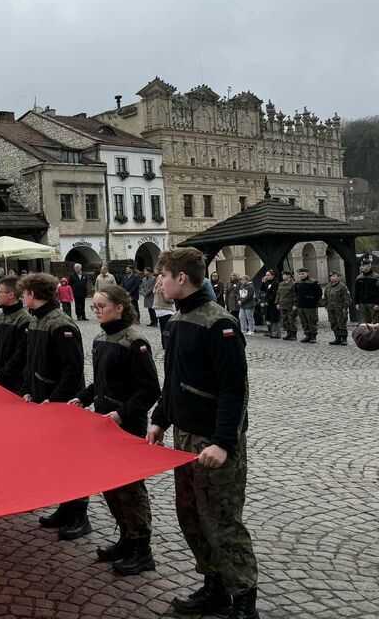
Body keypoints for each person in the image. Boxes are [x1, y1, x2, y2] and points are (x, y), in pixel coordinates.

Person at [147, 248, 258, 619]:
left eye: (163, 275)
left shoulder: (219, 323)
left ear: (182, 278)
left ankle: (244, 600)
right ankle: (215, 587)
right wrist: (160, 418)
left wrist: (224, 443)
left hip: (213, 441)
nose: (158, 282)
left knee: (222, 521)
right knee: (191, 515)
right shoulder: (179, 321)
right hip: (184, 436)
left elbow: (235, 389)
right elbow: (174, 378)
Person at [71, 284, 160, 576]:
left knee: (130, 488)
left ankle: (141, 548)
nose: (95, 311)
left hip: (127, 425)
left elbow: (150, 390)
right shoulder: (99, 338)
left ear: (120, 307)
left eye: (101, 307)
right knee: (111, 487)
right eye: (93, 307)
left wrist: (122, 414)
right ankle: (125, 538)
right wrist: (83, 398)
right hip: (104, 422)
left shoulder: (135, 342)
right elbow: (101, 382)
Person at [19, 272, 89, 540]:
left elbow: (72, 369)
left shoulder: (61, 324)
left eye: (25, 293)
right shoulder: (37, 320)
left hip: (61, 405)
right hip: (40, 400)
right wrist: (27, 389)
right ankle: (64, 506)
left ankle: (79, 514)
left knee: (71, 460)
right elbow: (31, 361)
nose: (23, 297)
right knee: (55, 460)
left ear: (33, 295)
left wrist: (56, 399)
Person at [0, 276, 32, 392]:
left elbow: (21, 354)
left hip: (13, 383)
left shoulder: (24, 319)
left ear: (10, 295)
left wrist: (0, 376)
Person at [322, 271, 351, 345]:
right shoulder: (328, 286)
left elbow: (347, 298)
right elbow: (325, 297)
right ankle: (337, 338)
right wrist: (326, 305)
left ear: (338, 277)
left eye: (334, 276)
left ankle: (344, 339)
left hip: (340, 308)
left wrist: (345, 307)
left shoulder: (342, 286)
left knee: (341, 323)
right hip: (331, 308)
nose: (332, 277)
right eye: (331, 276)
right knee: (333, 323)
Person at [294, 267, 322, 343]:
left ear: (307, 274)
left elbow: (319, 294)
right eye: (299, 274)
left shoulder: (313, 282)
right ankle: (307, 335)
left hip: (310, 306)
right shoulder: (297, 283)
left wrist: (313, 301)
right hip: (301, 305)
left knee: (312, 321)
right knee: (304, 321)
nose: (301, 275)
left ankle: (313, 336)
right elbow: (296, 294)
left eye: (302, 274)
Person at [353, 258, 379, 323]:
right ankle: (368, 333)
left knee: (376, 322)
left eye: (363, 266)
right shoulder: (359, 278)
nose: (361, 267)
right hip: (363, 304)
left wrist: (378, 304)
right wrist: (356, 303)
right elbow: (357, 291)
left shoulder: (376, 277)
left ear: (369, 266)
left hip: (373, 304)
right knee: (365, 323)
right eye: (361, 266)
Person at [276, 270, 298, 341]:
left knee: (291, 320)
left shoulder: (293, 284)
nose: (283, 276)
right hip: (282, 304)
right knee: (285, 320)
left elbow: (295, 295)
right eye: (283, 275)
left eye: (285, 275)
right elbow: (278, 294)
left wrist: (295, 304)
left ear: (289, 275)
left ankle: (293, 335)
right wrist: (277, 303)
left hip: (290, 305)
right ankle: (288, 333)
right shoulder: (281, 284)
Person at [258, 270, 280, 338]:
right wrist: (263, 282)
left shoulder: (275, 283)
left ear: (273, 276)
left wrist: (268, 301)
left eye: (268, 275)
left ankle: (277, 333)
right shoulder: (267, 283)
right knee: (270, 317)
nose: (266, 276)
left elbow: (274, 294)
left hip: (273, 303)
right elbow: (262, 289)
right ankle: (273, 332)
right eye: (266, 275)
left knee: (275, 318)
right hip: (268, 303)